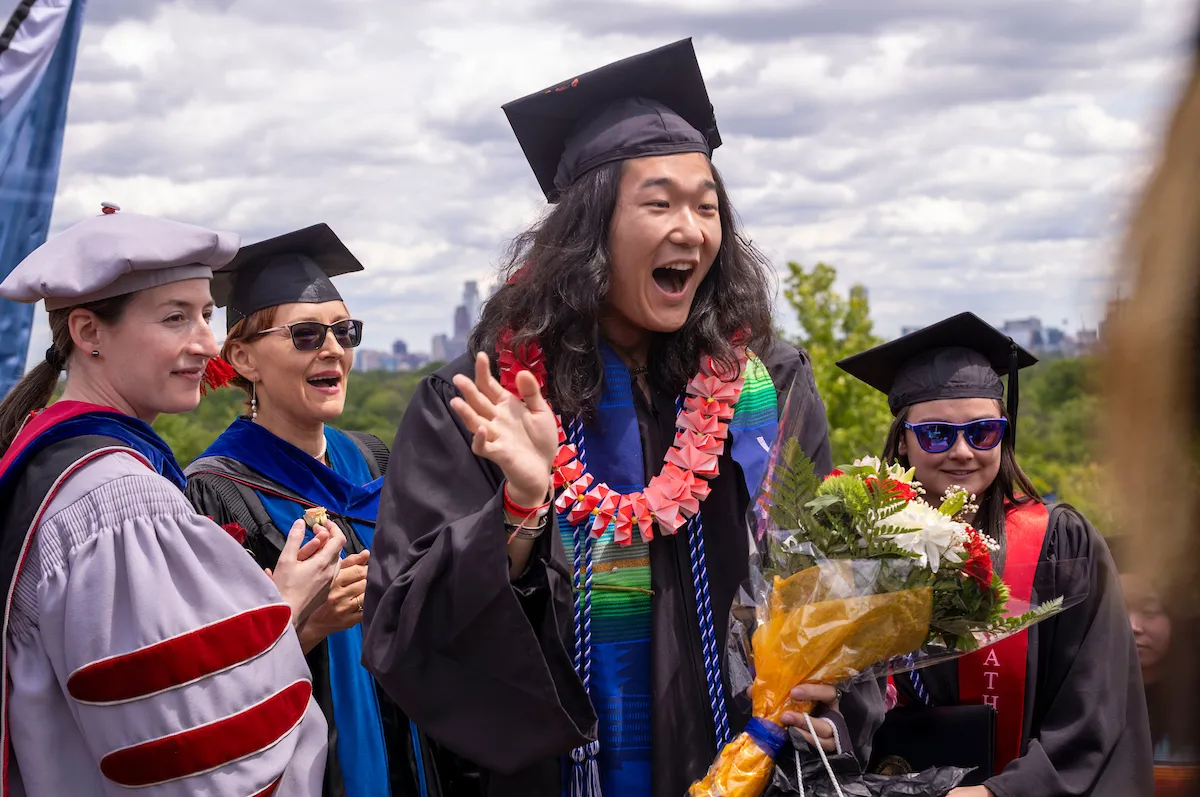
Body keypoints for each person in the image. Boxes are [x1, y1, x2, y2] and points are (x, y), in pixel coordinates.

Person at [363, 39, 884, 797]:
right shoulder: (482, 401)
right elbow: (408, 631)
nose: (692, 229)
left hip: (752, 767)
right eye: (660, 202)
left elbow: (824, 575)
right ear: (589, 228)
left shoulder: (765, 387)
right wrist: (519, 508)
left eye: (707, 206)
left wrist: (833, 699)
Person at [0, 206, 343, 795]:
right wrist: (283, 609)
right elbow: (198, 759)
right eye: (175, 318)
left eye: (206, 315)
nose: (207, 344)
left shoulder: (49, 456)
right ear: (88, 333)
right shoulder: (122, 505)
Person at [838, 311, 1153, 797]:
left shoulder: (1059, 546)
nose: (963, 451)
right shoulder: (855, 545)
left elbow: (1096, 708)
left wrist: (1000, 793)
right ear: (903, 440)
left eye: (983, 432)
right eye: (937, 433)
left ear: (1003, 434)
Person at [184, 223, 440, 797]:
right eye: (304, 334)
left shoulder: (372, 461)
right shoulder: (213, 495)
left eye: (344, 331)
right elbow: (208, 688)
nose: (333, 349)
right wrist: (307, 627)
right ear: (243, 358)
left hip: (413, 750)